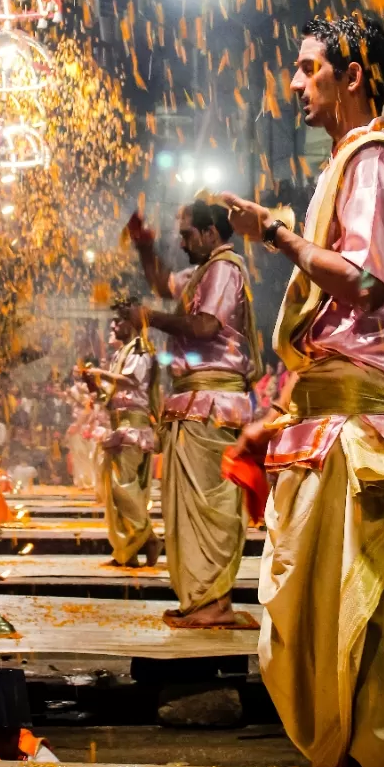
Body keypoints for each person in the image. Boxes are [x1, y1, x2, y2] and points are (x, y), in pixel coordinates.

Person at [222, 10, 384, 767]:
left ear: (354, 74)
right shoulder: (342, 169)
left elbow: (363, 286)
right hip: (327, 430)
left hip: (364, 437)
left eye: (308, 67)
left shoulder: (378, 164)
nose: (293, 82)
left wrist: (272, 232)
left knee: (369, 613)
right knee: (307, 611)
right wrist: (275, 419)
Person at [121, 199, 261, 627]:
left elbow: (204, 326)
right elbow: (164, 284)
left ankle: (212, 605)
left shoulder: (224, 268)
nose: (181, 243)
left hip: (211, 407)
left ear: (211, 234)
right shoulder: (202, 270)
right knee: (190, 511)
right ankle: (202, 603)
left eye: (186, 235)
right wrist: (145, 247)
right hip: (195, 406)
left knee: (209, 510)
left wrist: (149, 319)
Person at [83, 313, 162, 567]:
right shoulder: (119, 356)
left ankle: (147, 539)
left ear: (133, 323)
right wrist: (92, 384)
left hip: (133, 426)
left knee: (123, 489)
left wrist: (99, 373)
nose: (113, 325)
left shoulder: (140, 350)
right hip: (119, 426)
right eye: (113, 321)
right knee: (116, 492)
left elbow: (131, 381)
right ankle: (129, 549)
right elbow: (107, 400)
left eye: (119, 321)